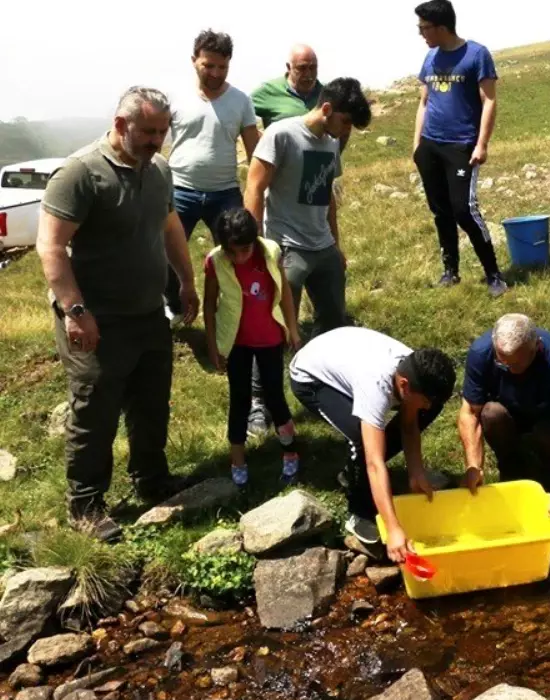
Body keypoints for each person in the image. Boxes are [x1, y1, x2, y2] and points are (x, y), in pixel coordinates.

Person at [35, 87, 200, 541]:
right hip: (96, 319)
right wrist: (75, 310)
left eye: (162, 132)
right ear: (121, 124)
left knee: (151, 403)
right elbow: (49, 245)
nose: (155, 141)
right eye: (147, 131)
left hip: (148, 314)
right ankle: (85, 505)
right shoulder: (81, 174)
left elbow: (170, 228)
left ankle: (152, 479)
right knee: (96, 412)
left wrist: (185, 281)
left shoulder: (159, 170)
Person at [289, 328, 456, 562]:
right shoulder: (376, 385)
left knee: (423, 411)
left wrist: (416, 473)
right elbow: (375, 463)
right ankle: (359, 511)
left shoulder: (414, 373)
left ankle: (354, 474)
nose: (427, 407)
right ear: (404, 385)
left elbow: (409, 425)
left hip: (344, 355)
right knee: (360, 439)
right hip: (311, 377)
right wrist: (394, 528)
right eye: (425, 400)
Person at [245, 77, 371, 340]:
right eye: (345, 121)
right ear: (326, 109)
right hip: (287, 245)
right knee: (278, 324)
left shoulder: (331, 142)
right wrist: (256, 244)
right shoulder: (280, 134)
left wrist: (336, 245)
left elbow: (327, 195)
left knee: (334, 324)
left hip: (323, 245)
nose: (347, 129)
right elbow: (254, 188)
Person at [412, 0, 506, 297]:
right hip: (431, 145)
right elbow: (424, 102)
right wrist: (417, 145)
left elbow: (489, 100)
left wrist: (481, 144)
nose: (420, 33)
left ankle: (493, 275)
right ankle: (450, 271)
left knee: (464, 210)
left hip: (462, 145)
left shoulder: (476, 54)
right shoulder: (430, 58)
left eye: (424, 28)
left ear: (441, 27)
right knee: (440, 211)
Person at [203, 208, 302, 491]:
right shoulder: (216, 261)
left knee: (275, 397)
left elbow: (284, 296)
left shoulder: (270, 253)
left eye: (244, 250)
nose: (239, 258)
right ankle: (237, 460)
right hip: (236, 342)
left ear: (255, 240)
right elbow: (210, 304)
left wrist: (293, 331)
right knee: (240, 398)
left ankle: (290, 451)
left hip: (270, 338)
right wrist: (213, 345)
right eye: (232, 252)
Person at [165, 29, 260, 321]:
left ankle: (232, 311)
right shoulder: (175, 98)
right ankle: (176, 307)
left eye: (223, 66)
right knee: (166, 254)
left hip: (225, 192)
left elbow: (254, 149)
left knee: (238, 253)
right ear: (194, 60)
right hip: (180, 190)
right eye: (209, 65)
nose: (216, 72)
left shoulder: (241, 101)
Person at [458, 314, 550, 524]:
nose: (511, 370)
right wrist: (473, 467)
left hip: (545, 418)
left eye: (517, 364)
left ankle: (549, 472)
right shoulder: (480, 353)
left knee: (546, 435)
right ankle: (511, 464)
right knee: (491, 414)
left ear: (536, 347)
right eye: (503, 364)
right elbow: (469, 413)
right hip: (506, 412)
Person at [251, 44, 323, 129]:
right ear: (289, 67)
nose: (308, 74)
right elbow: (239, 111)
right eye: (302, 68)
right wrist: (258, 139)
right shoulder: (269, 91)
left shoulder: (326, 94)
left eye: (312, 68)